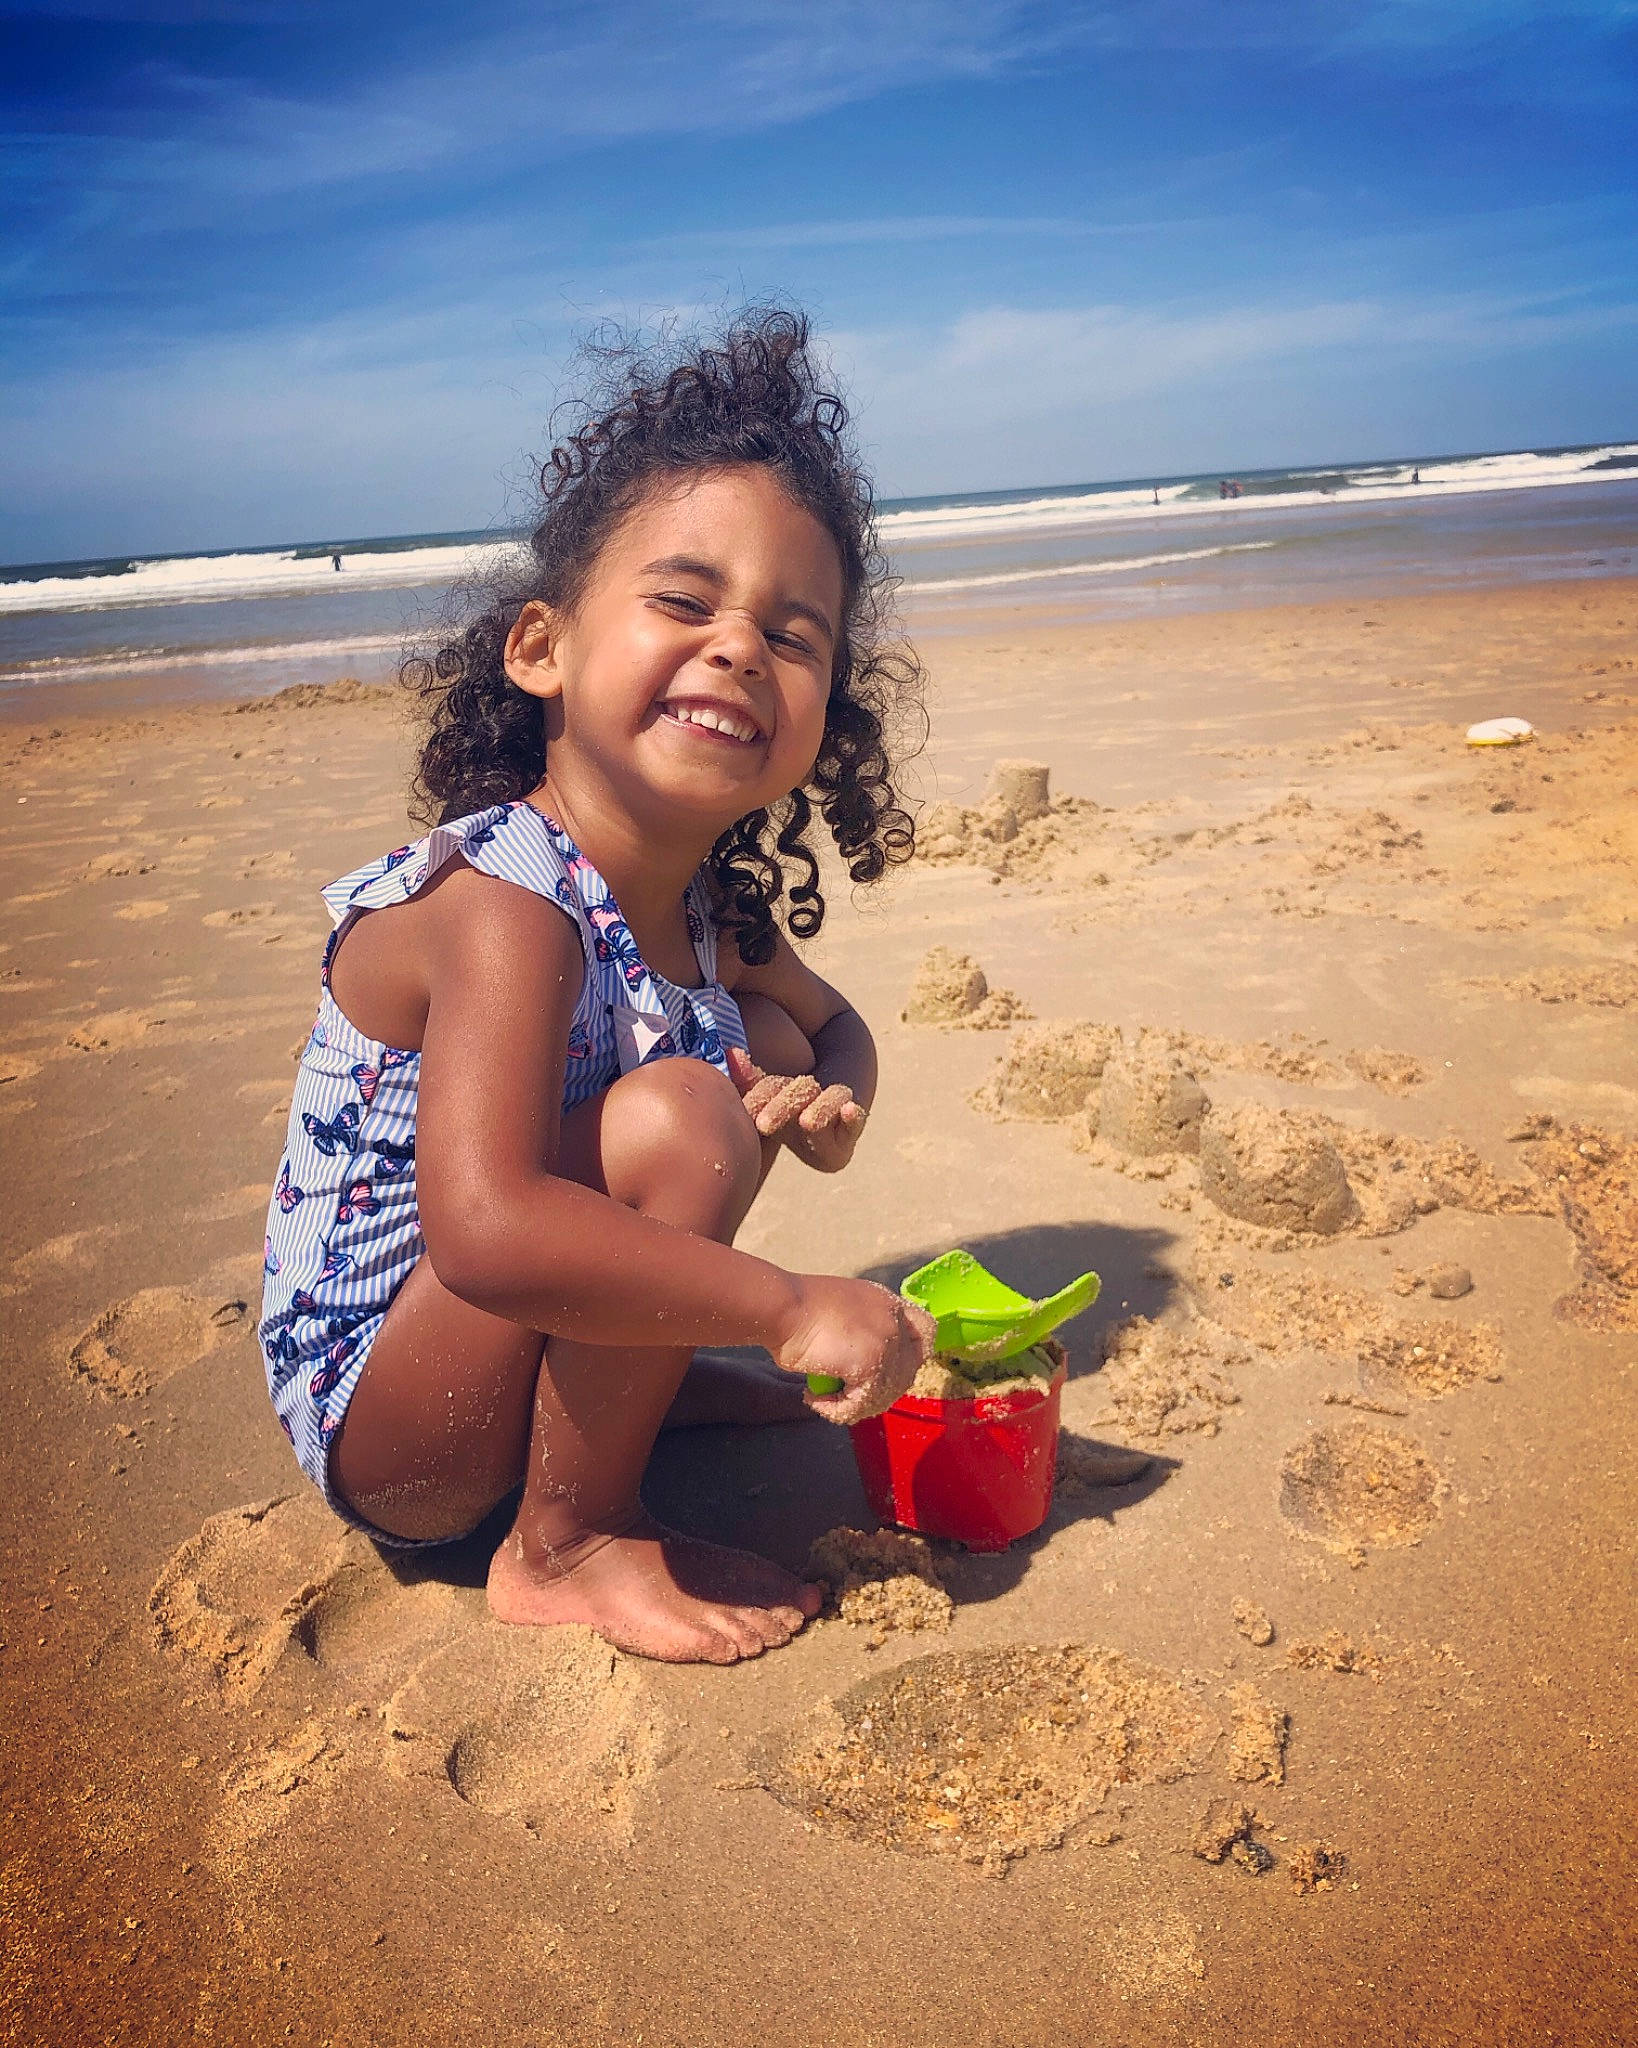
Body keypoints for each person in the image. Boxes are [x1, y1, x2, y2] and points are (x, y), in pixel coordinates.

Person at [260, 309, 936, 1665]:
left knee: (731, 1061)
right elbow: (487, 1232)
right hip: (388, 1427)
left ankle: (637, 1396)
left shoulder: (708, 912)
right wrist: (789, 1302)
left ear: (820, 722)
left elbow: (833, 1023)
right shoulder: (501, 904)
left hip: (486, 1361)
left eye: (793, 637)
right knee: (686, 1110)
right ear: (540, 650)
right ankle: (564, 1539)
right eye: (683, 602)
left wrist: (835, 1105)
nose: (739, 646)